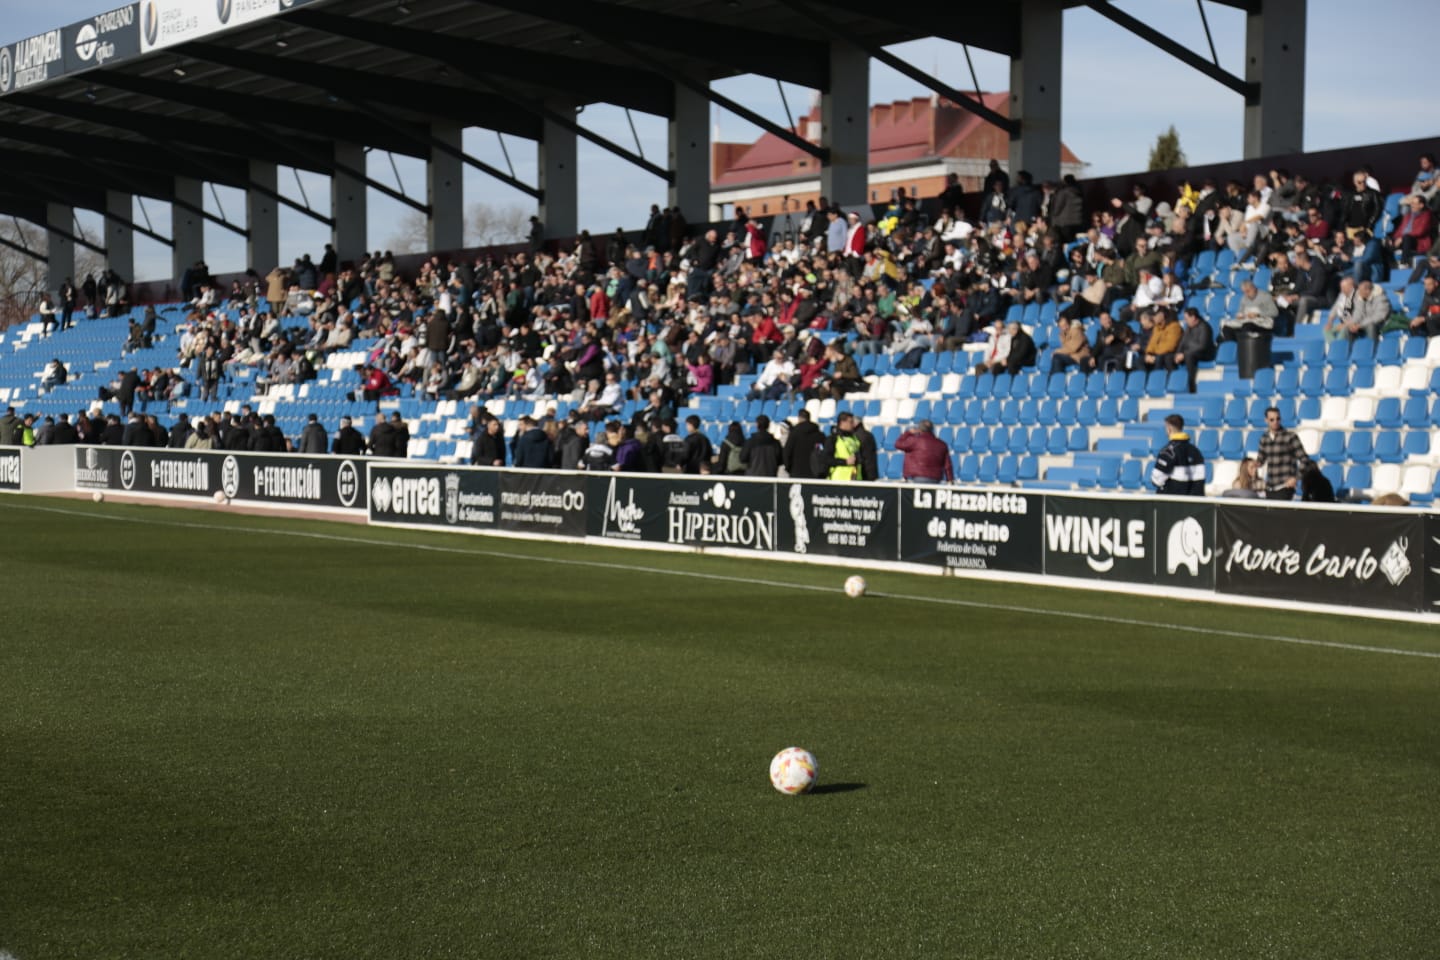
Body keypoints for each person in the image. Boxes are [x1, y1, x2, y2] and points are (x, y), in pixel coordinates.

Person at [1255, 407, 1312, 500]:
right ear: (1266, 420)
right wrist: (1253, 464)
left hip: (1285, 486)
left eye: (1278, 418)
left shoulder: (1290, 437)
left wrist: (1295, 478)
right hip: (1270, 487)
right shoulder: (1264, 438)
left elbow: (1305, 459)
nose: (1275, 422)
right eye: (1272, 419)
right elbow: (1260, 460)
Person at [1151, 414, 1206, 495]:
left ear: (1169, 428)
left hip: (1173, 503)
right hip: (1194, 503)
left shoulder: (1168, 452)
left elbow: (1156, 481)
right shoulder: (1196, 451)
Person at [1172, 307, 1216, 393]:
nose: (1185, 321)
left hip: (1205, 353)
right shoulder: (1188, 328)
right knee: (1169, 357)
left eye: (1186, 319)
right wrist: (1178, 353)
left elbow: (1202, 346)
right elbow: (1183, 342)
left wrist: (1184, 354)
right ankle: (1175, 384)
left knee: (1189, 355)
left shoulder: (1205, 327)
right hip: (1190, 352)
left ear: (1193, 317)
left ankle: (1192, 385)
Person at [783, 409, 824, 479]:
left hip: (796, 472)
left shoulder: (794, 434)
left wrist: (788, 468)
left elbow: (787, 452)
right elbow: (820, 451)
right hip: (814, 473)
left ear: (799, 418)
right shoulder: (819, 435)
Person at [823, 411, 863, 481]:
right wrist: (845, 462)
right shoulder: (833, 439)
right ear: (842, 423)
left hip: (856, 479)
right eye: (851, 422)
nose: (853, 425)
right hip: (839, 480)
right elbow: (826, 459)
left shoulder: (855, 439)